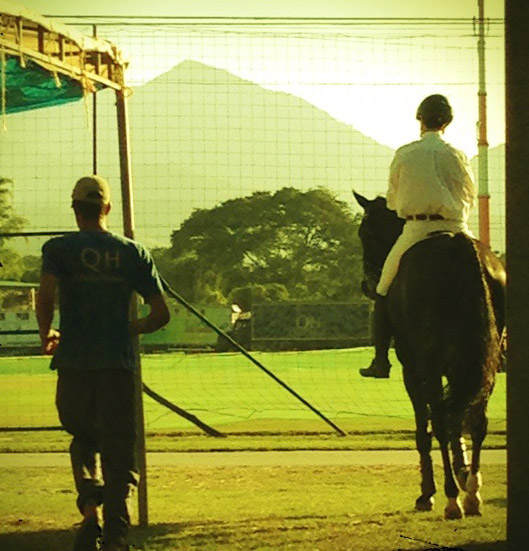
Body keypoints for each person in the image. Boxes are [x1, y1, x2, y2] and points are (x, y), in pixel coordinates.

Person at [36, 175, 170, 551]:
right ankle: (116, 534)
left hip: (74, 364)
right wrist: (132, 327)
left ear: (75, 209)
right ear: (107, 208)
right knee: (119, 449)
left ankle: (90, 510)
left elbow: (46, 295)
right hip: (117, 366)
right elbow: (161, 314)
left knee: (83, 440)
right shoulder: (134, 253)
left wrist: (47, 332)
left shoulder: (58, 249)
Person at [360, 94, 476, 378]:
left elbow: (392, 199)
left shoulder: (405, 153)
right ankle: (502, 345)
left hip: (417, 229)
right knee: (488, 278)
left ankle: (380, 361)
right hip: (457, 227)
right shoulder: (458, 154)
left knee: (384, 289)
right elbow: (470, 192)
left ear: (420, 121)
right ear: (447, 123)